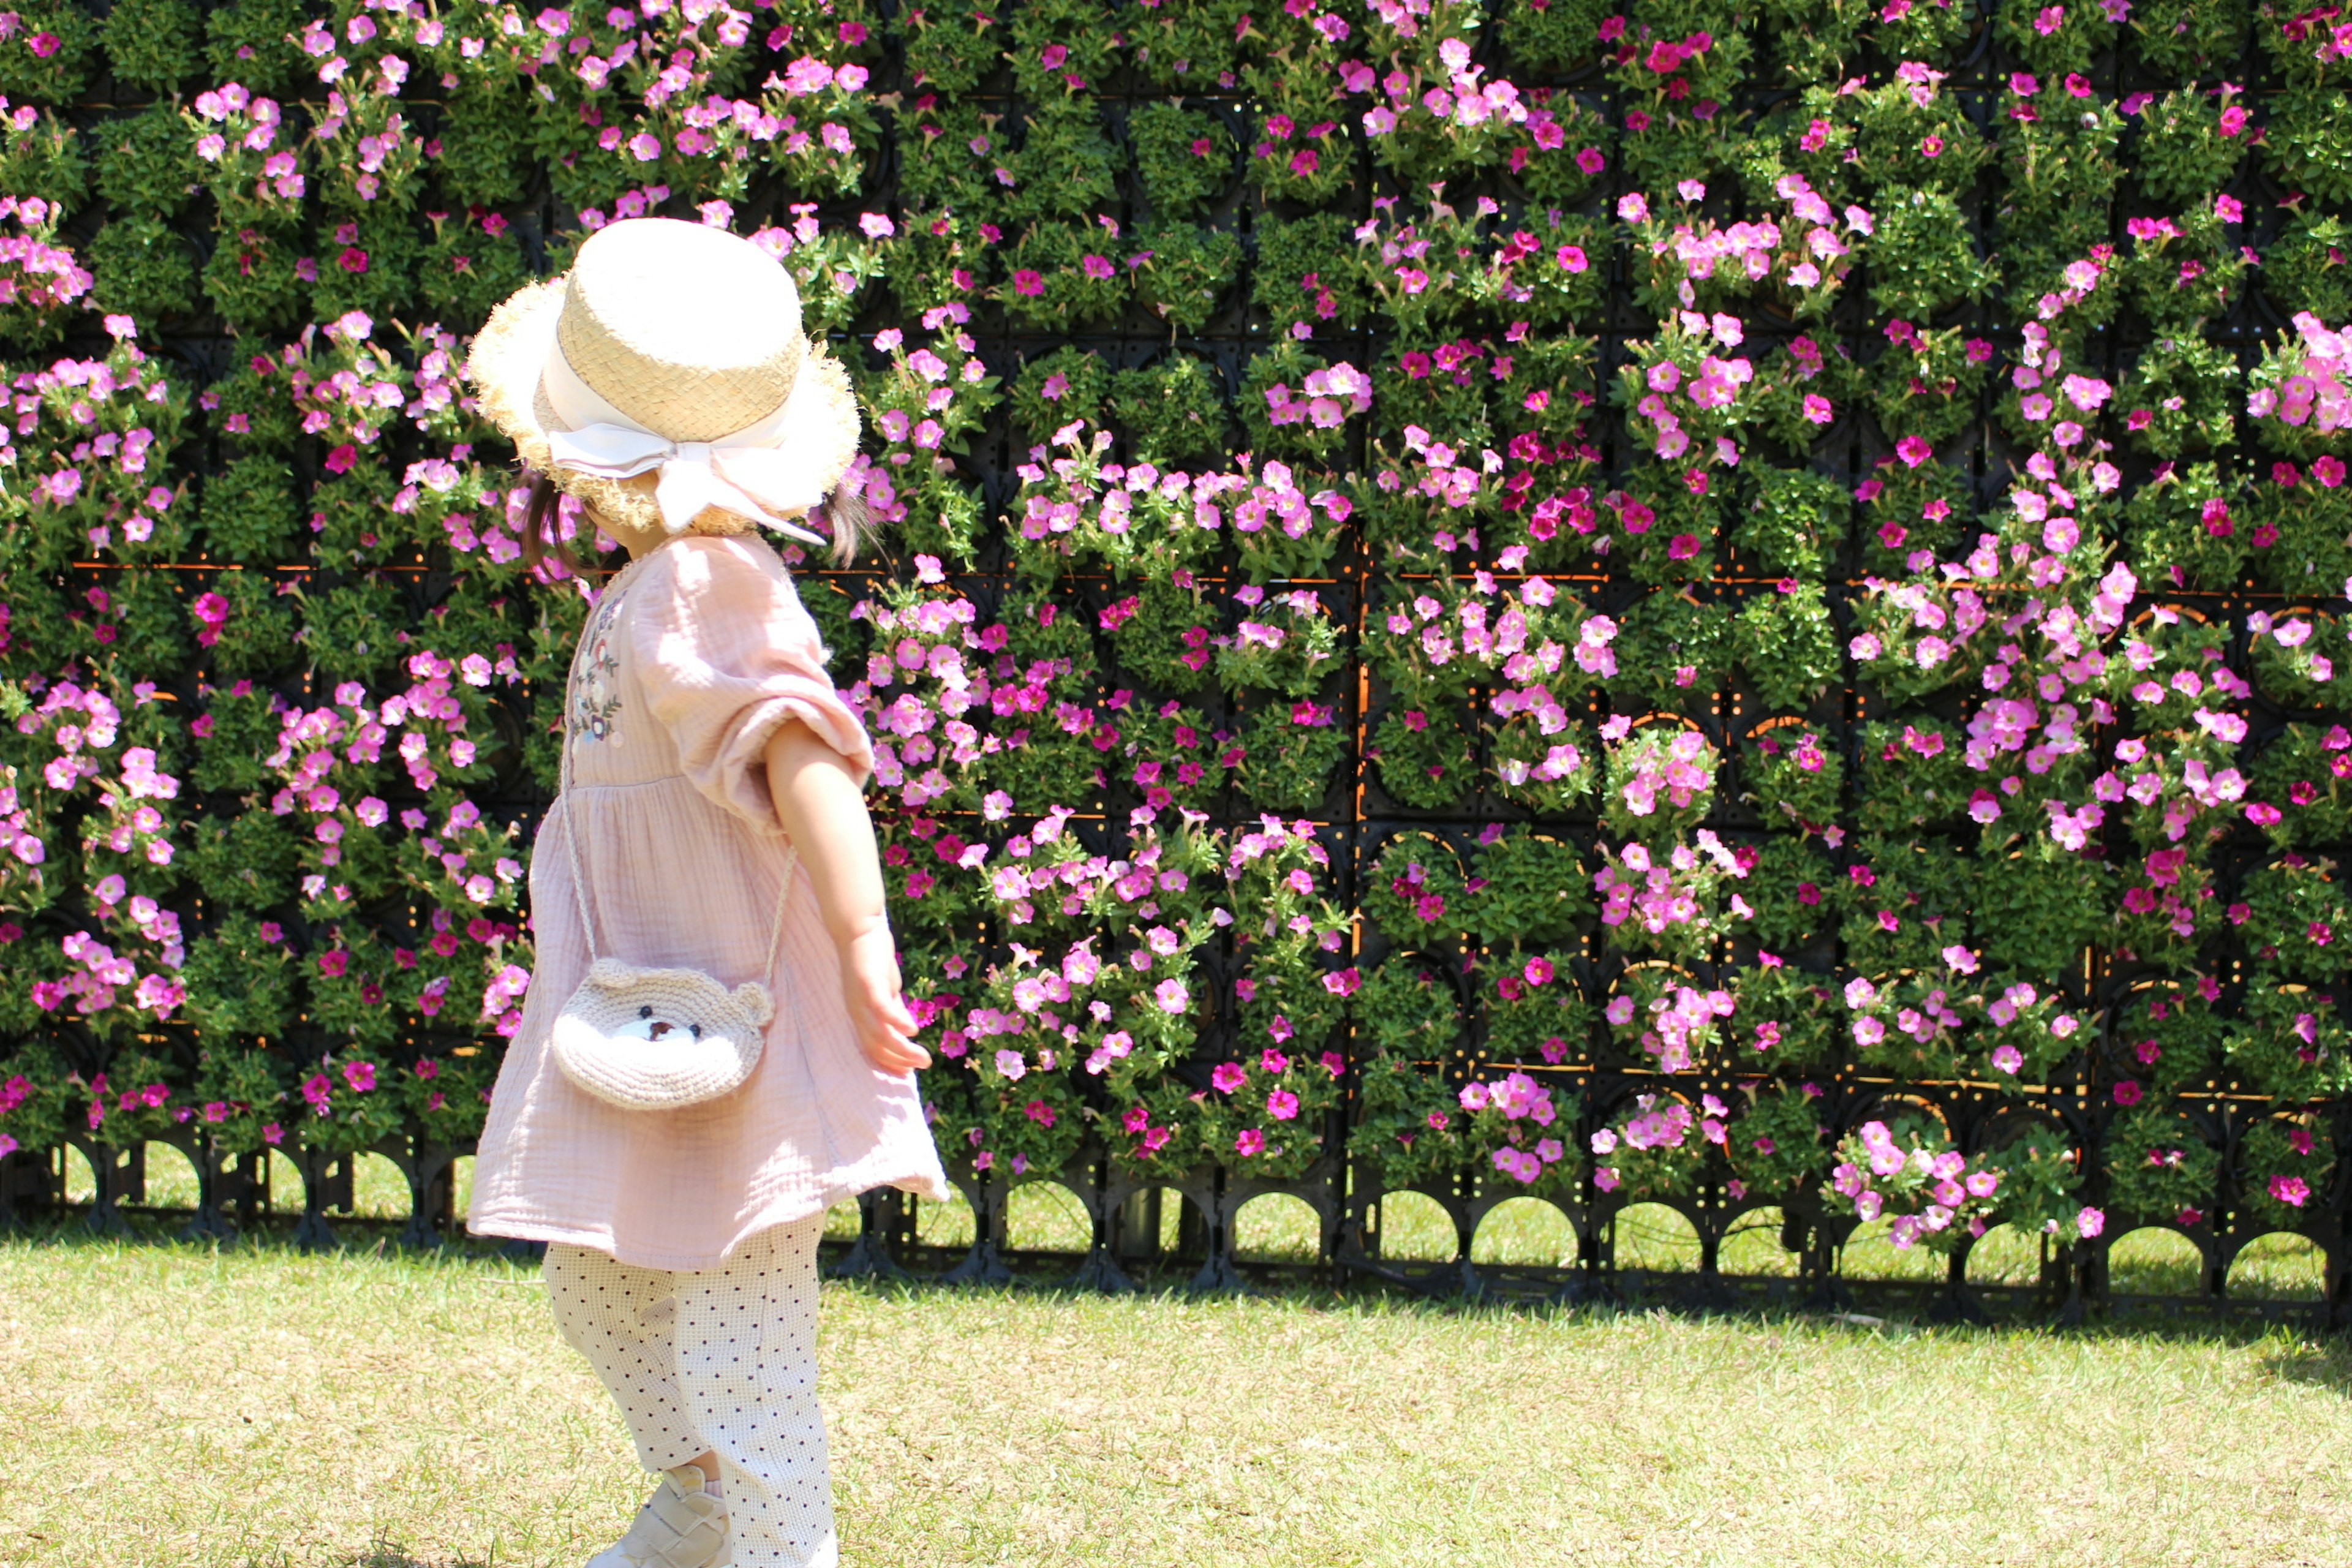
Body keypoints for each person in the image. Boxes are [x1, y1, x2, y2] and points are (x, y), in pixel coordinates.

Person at [462, 216, 949, 1568]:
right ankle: (701, 1501)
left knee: (742, 1331)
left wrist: (860, 934)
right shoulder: (656, 585)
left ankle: (782, 1547)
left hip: (734, 1010)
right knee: (596, 1278)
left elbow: (803, 746)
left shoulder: (708, 576)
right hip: (635, 999)